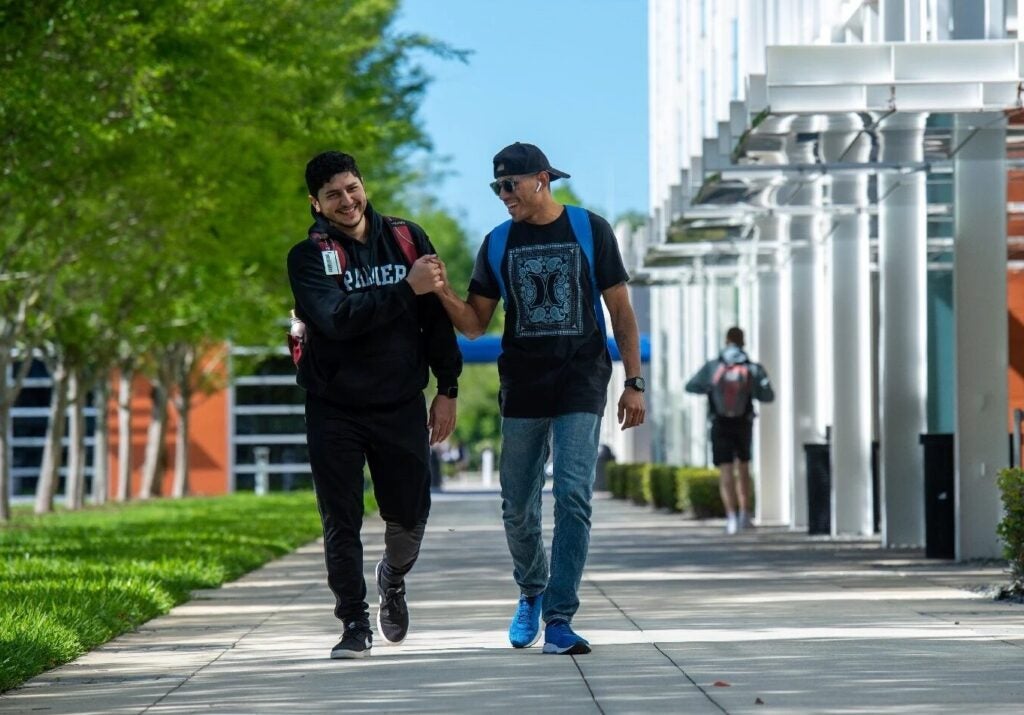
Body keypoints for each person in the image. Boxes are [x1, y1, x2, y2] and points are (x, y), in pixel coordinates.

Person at [429, 142, 646, 656]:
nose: (504, 195)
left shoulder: (591, 230)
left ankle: (560, 617)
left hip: (581, 380)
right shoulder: (497, 242)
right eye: (497, 187)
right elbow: (476, 325)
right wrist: (440, 292)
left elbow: (621, 312)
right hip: (523, 385)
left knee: (573, 495)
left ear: (542, 179)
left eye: (512, 185)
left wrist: (634, 382)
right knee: (517, 507)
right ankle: (531, 587)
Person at [286, 151, 462, 659]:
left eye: (351, 188)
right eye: (333, 195)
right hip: (333, 405)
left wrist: (446, 388)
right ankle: (354, 623)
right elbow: (335, 319)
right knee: (340, 518)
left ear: (363, 185)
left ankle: (393, 577)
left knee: (410, 513)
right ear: (316, 204)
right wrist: (406, 288)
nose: (346, 201)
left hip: (400, 402)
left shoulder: (408, 238)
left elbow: (436, 319)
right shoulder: (308, 257)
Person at [685, 326, 774, 535]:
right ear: (743, 341)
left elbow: (690, 386)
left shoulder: (714, 366)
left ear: (726, 341)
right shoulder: (751, 367)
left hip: (719, 422)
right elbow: (768, 395)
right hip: (743, 422)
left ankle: (731, 518)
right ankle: (745, 514)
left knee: (725, 470)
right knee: (743, 468)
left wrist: (709, 388)